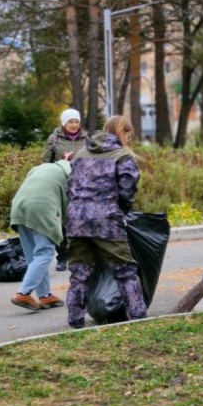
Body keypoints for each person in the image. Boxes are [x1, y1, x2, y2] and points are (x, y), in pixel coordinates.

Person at [64, 115, 146, 329]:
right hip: (106, 221)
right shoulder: (122, 156)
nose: (129, 141)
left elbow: (69, 187)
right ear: (123, 133)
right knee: (125, 271)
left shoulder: (80, 152)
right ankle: (139, 317)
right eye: (129, 136)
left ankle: (75, 321)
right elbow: (127, 193)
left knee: (79, 273)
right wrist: (120, 213)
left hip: (76, 220)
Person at [9, 160, 71, 312]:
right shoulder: (71, 175)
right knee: (45, 253)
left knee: (33, 256)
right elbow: (70, 206)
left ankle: (45, 296)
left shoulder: (40, 168)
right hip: (41, 208)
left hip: (19, 207)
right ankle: (23, 293)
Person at [43, 108, 91, 270]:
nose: (74, 125)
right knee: (62, 223)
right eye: (70, 122)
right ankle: (62, 257)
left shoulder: (86, 138)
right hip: (61, 185)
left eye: (76, 121)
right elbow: (45, 164)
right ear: (64, 123)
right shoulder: (54, 139)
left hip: (82, 186)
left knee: (79, 221)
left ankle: (78, 256)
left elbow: (92, 160)